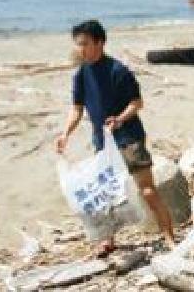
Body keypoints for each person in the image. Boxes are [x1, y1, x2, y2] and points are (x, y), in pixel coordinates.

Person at [55, 20, 174, 257]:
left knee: (147, 190)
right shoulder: (80, 75)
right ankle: (108, 240)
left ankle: (170, 237)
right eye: (78, 45)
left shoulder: (117, 70)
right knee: (105, 193)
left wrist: (120, 119)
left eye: (85, 44)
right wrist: (65, 133)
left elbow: (137, 103)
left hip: (129, 136)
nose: (81, 49)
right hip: (102, 141)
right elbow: (77, 109)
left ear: (100, 42)